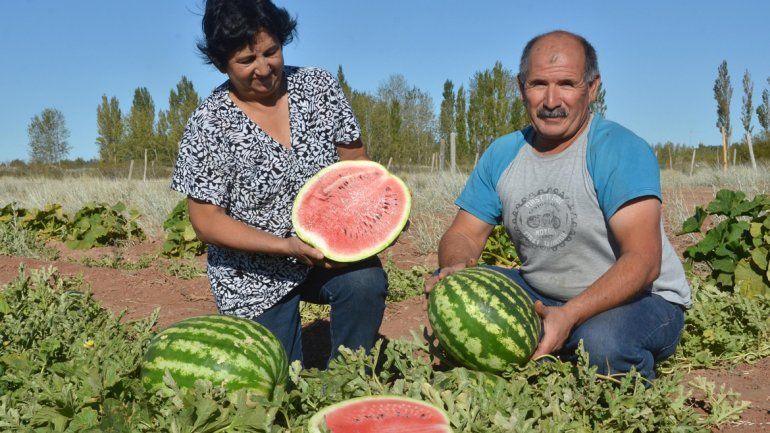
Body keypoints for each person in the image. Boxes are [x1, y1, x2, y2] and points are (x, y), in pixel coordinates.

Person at [425, 30, 690, 381]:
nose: (552, 100)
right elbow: (464, 234)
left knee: (601, 343)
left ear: (592, 88)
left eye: (567, 83)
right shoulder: (503, 153)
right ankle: (555, 343)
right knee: (449, 291)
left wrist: (570, 314)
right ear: (522, 88)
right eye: (538, 84)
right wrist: (456, 265)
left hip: (642, 300)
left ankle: (623, 383)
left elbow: (643, 262)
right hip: (541, 292)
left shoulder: (618, 149)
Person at [171, 0, 388, 366]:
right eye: (246, 61)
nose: (264, 68)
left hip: (325, 253)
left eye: (271, 52)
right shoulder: (209, 122)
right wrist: (285, 246)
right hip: (251, 273)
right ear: (222, 63)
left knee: (365, 282)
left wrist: (379, 212)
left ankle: (349, 380)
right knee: (277, 383)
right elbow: (206, 221)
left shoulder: (317, 87)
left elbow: (355, 163)